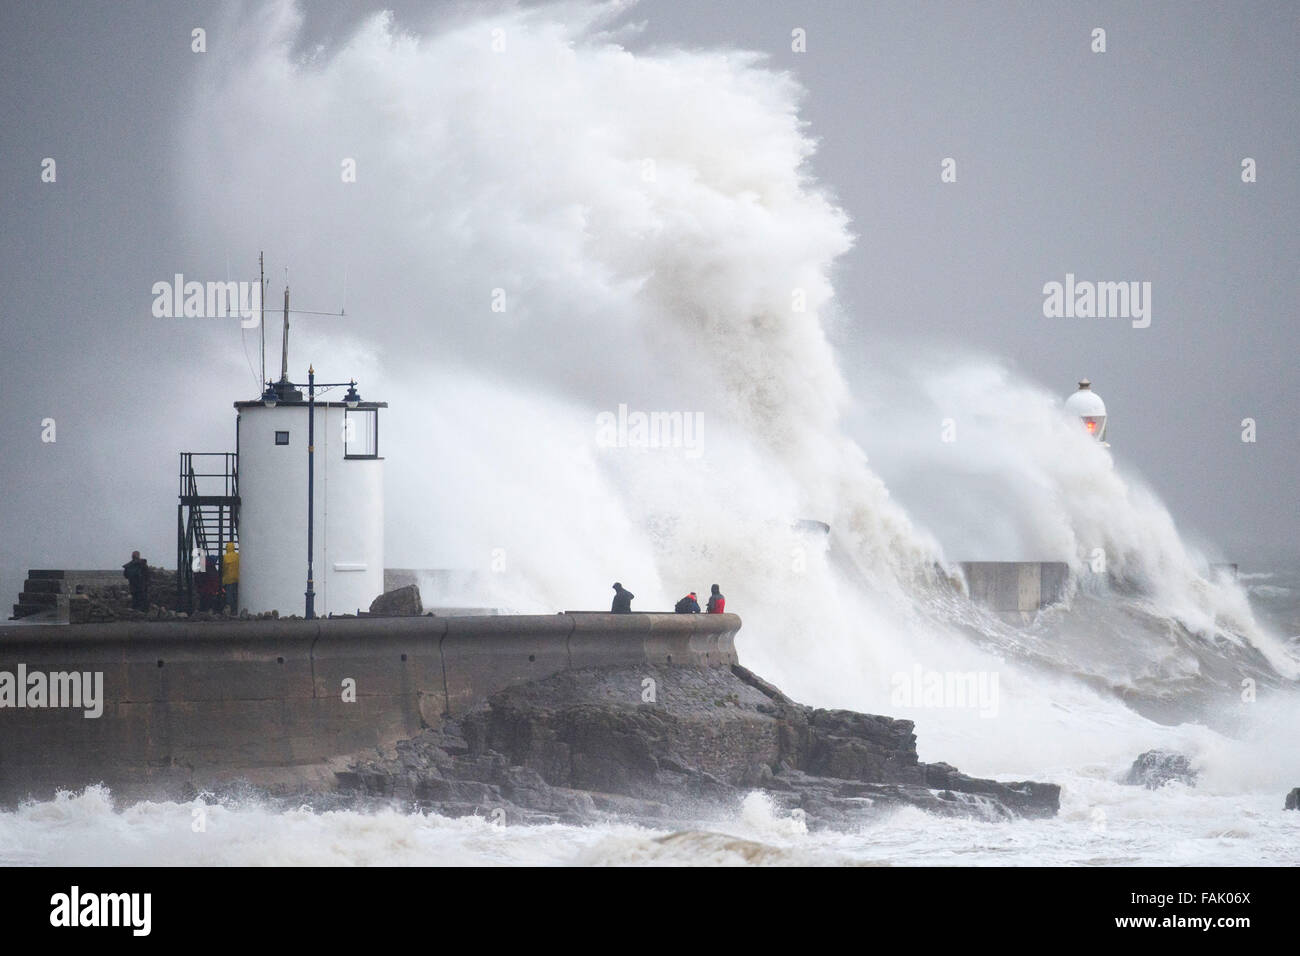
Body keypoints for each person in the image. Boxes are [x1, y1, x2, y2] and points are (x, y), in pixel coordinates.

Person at [222, 542, 240, 614]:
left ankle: (230, 610)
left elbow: (224, 568)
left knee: (229, 596)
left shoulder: (225, 557)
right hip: (237, 578)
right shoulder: (237, 555)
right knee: (235, 594)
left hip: (228, 579)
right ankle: (236, 609)